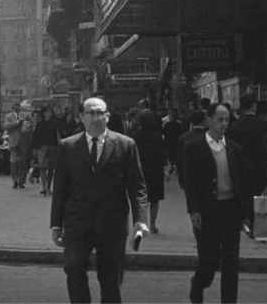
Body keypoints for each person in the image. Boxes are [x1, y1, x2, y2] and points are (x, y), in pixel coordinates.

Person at [50, 96, 150, 304]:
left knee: (111, 280)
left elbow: (137, 186)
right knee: (74, 269)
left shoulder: (125, 145)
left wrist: (140, 220)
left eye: (100, 113)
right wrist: (56, 224)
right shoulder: (67, 147)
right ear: (81, 117)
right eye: (90, 113)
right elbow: (60, 188)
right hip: (78, 222)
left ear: (107, 116)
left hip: (111, 222)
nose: (96, 118)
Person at [183, 102, 254, 303]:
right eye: (219, 119)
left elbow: (242, 181)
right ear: (209, 120)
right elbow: (189, 183)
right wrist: (194, 210)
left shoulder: (234, 148)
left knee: (231, 262)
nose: (224, 124)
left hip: (230, 209)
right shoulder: (194, 147)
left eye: (227, 120)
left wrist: (245, 214)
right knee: (209, 261)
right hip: (207, 211)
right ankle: (198, 284)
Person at [133, 109, 166, 234]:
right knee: (155, 199)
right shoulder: (157, 136)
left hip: (140, 170)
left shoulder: (136, 136)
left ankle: (142, 223)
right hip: (155, 169)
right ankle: (152, 224)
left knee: (141, 199)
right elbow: (162, 153)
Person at [32, 105, 67, 197]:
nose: (49, 113)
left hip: (53, 147)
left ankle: (48, 186)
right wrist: (35, 149)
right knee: (42, 168)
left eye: (50, 112)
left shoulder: (55, 123)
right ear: (43, 113)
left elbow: (58, 135)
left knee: (51, 169)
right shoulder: (40, 124)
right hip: (42, 148)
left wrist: (60, 146)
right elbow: (35, 136)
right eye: (47, 112)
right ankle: (44, 187)